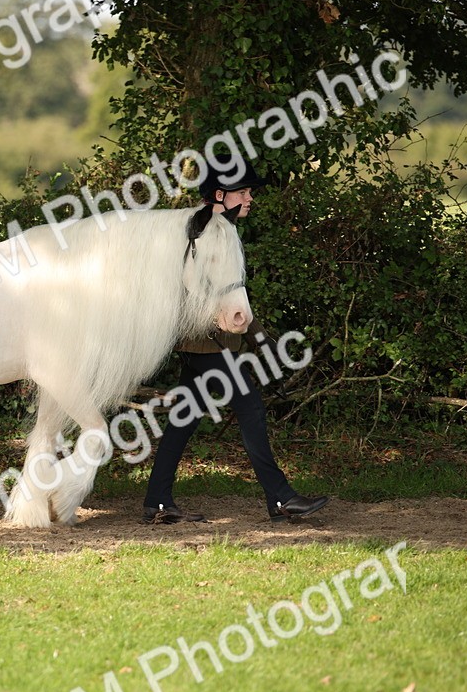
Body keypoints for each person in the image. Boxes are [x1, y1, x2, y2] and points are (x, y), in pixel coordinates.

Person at [141, 162, 329, 525]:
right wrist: (250, 343)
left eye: (250, 192)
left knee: (184, 421)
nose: (250, 198)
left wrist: (262, 343)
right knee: (252, 411)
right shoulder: (206, 234)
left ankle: (157, 501)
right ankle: (281, 499)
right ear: (220, 196)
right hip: (209, 346)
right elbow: (192, 293)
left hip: (203, 348)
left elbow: (234, 301)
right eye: (244, 192)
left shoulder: (222, 229)